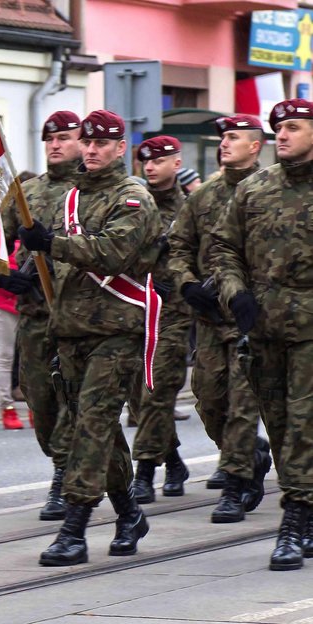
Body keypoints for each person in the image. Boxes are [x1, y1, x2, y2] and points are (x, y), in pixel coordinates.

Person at [18, 109, 163, 566]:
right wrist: (21, 270)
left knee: (91, 428)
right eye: (89, 142)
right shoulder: (69, 198)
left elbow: (112, 253)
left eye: (105, 143)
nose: (94, 149)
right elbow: (45, 259)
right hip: (70, 331)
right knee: (101, 433)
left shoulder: (134, 198)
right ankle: (128, 512)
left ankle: (74, 529)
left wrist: (52, 244)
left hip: (116, 331)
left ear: (121, 148)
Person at [210, 99, 313, 570]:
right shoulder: (255, 188)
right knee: (278, 424)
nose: (284, 135)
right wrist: (235, 294)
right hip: (264, 328)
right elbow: (224, 247)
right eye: (279, 128)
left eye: (294, 126)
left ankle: (293, 520)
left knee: (303, 425)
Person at [168, 114, 271, 524]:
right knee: (210, 402)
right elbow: (178, 247)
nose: (224, 144)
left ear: (254, 146)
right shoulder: (203, 196)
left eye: (233, 137)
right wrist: (187, 285)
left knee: (244, 405)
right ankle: (251, 454)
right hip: (210, 320)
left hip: (252, 320)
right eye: (222, 138)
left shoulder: (269, 191)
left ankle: (234, 484)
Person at [0, 110, 81, 521]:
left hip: (84, 318)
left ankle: (66, 476)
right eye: (51, 138)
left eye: (65, 137)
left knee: (76, 399)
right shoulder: (25, 192)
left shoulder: (93, 191)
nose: (56, 145)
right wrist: (6, 276)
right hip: (35, 315)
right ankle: (62, 461)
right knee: (40, 400)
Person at [126, 136, 190, 504]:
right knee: (140, 397)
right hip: (135, 308)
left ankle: (145, 471)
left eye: (159, 161)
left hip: (174, 312)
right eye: (145, 161)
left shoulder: (191, 207)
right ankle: (175, 461)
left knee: (157, 390)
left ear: (176, 164)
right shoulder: (134, 204)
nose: (150, 167)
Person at [0, 243, 25, 429]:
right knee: (6, 356)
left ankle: (37, 406)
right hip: (4, 303)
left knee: (33, 357)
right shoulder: (2, 237)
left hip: (32, 304)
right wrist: (2, 277)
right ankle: (7, 406)